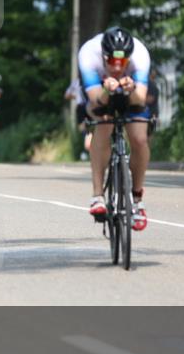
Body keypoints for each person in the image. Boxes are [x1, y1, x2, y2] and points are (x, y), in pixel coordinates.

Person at [79, 26, 152, 231]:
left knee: (139, 139)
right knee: (104, 124)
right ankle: (97, 196)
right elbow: (96, 101)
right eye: (112, 61)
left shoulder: (140, 55)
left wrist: (131, 89)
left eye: (123, 62)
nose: (117, 67)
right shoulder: (88, 54)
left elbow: (140, 99)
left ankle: (137, 200)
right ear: (104, 56)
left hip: (131, 93)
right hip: (100, 93)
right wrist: (106, 90)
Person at [64, 79, 92, 159]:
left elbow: (66, 95)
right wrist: (75, 96)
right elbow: (66, 95)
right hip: (86, 106)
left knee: (86, 127)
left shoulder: (76, 82)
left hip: (86, 106)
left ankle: (88, 138)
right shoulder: (77, 82)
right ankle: (88, 138)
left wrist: (75, 96)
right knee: (85, 127)